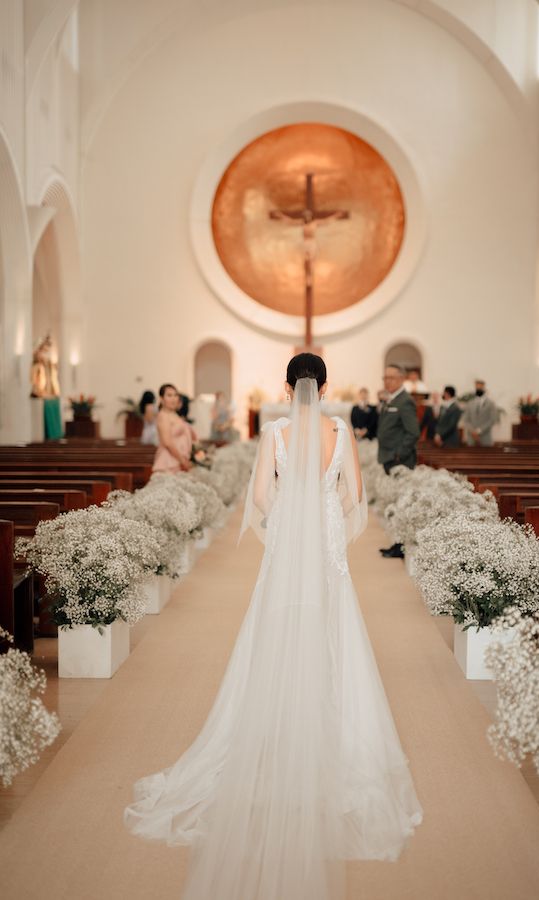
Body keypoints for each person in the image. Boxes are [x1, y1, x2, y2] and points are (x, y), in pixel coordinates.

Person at [124, 353, 422, 900]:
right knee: (334, 636)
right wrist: (329, 526)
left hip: (288, 548)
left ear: (287, 389)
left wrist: (286, 520)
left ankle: (276, 727)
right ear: (324, 387)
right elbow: (356, 499)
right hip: (328, 550)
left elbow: (260, 500)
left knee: (278, 632)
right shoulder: (339, 431)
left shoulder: (276, 433)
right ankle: (330, 738)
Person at [377, 364, 420, 558]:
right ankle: (397, 541)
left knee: (401, 503)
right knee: (394, 501)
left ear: (401, 379)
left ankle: (401, 545)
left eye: (391, 378)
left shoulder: (405, 401)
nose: (387, 381)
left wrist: (398, 455)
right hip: (389, 458)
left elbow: (413, 432)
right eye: (385, 378)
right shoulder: (391, 399)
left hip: (400, 461)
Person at [152, 383, 197, 473]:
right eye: (169, 395)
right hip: (169, 460)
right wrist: (183, 461)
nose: (173, 398)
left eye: (175, 395)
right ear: (161, 399)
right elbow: (167, 443)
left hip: (179, 459)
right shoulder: (163, 416)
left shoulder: (174, 414)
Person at [462, 379, 498, 447]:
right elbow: (466, 420)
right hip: (471, 438)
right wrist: (473, 431)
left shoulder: (490, 404)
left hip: (485, 437)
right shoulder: (470, 403)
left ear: (484, 388)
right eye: (477, 387)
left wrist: (479, 431)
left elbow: (493, 420)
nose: (478, 389)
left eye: (480, 387)